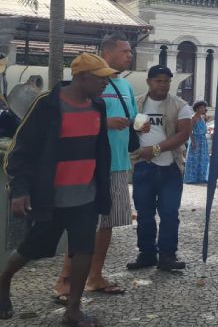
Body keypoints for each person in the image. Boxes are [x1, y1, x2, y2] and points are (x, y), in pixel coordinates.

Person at [1, 53, 115, 326]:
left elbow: (100, 148)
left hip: (86, 196)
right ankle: (3, 280)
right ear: (82, 77)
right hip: (50, 197)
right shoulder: (47, 104)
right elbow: (21, 150)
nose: (106, 84)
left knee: (83, 250)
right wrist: (20, 189)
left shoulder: (98, 105)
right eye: (101, 78)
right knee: (32, 248)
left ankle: (73, 310)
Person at [51, 36, 139, 304]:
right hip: (91, 165)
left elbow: (132, 118)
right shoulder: (86, 86)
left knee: (107, 224)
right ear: (107, 53)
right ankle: (65, 280)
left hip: (119, 164)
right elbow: (75, 119)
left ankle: (94, 276)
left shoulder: (125, 84)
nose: (130, 56)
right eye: (124, 51)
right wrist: (105, 122)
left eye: (130, 51)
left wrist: (137, 126)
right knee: (84, 224)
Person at [127, 65, 192, 272]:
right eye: (158, 80)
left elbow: (183, 134)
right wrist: (134, 129)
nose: (163, 84)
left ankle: (167, 255)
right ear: (149, 82)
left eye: (167, 81)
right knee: (144, 213)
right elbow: (128, 129)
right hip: (143, 167)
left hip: (170, 167)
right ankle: (146, 254)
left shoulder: (180, 105)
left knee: (170, 213)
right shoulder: (136, 103)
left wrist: (155, 149)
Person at [184, 101, 209, 184]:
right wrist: (193, 142)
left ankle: (202, 177)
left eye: (204, 107)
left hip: (203, 141)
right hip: (196, 140)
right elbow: (189, 131)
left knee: (203, 160)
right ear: (197, 108)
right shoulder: (193, 118)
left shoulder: (202, 118)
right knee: (194, 160)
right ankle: (191, 178)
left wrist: (205, 115)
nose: (203, 109)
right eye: (201, 107)